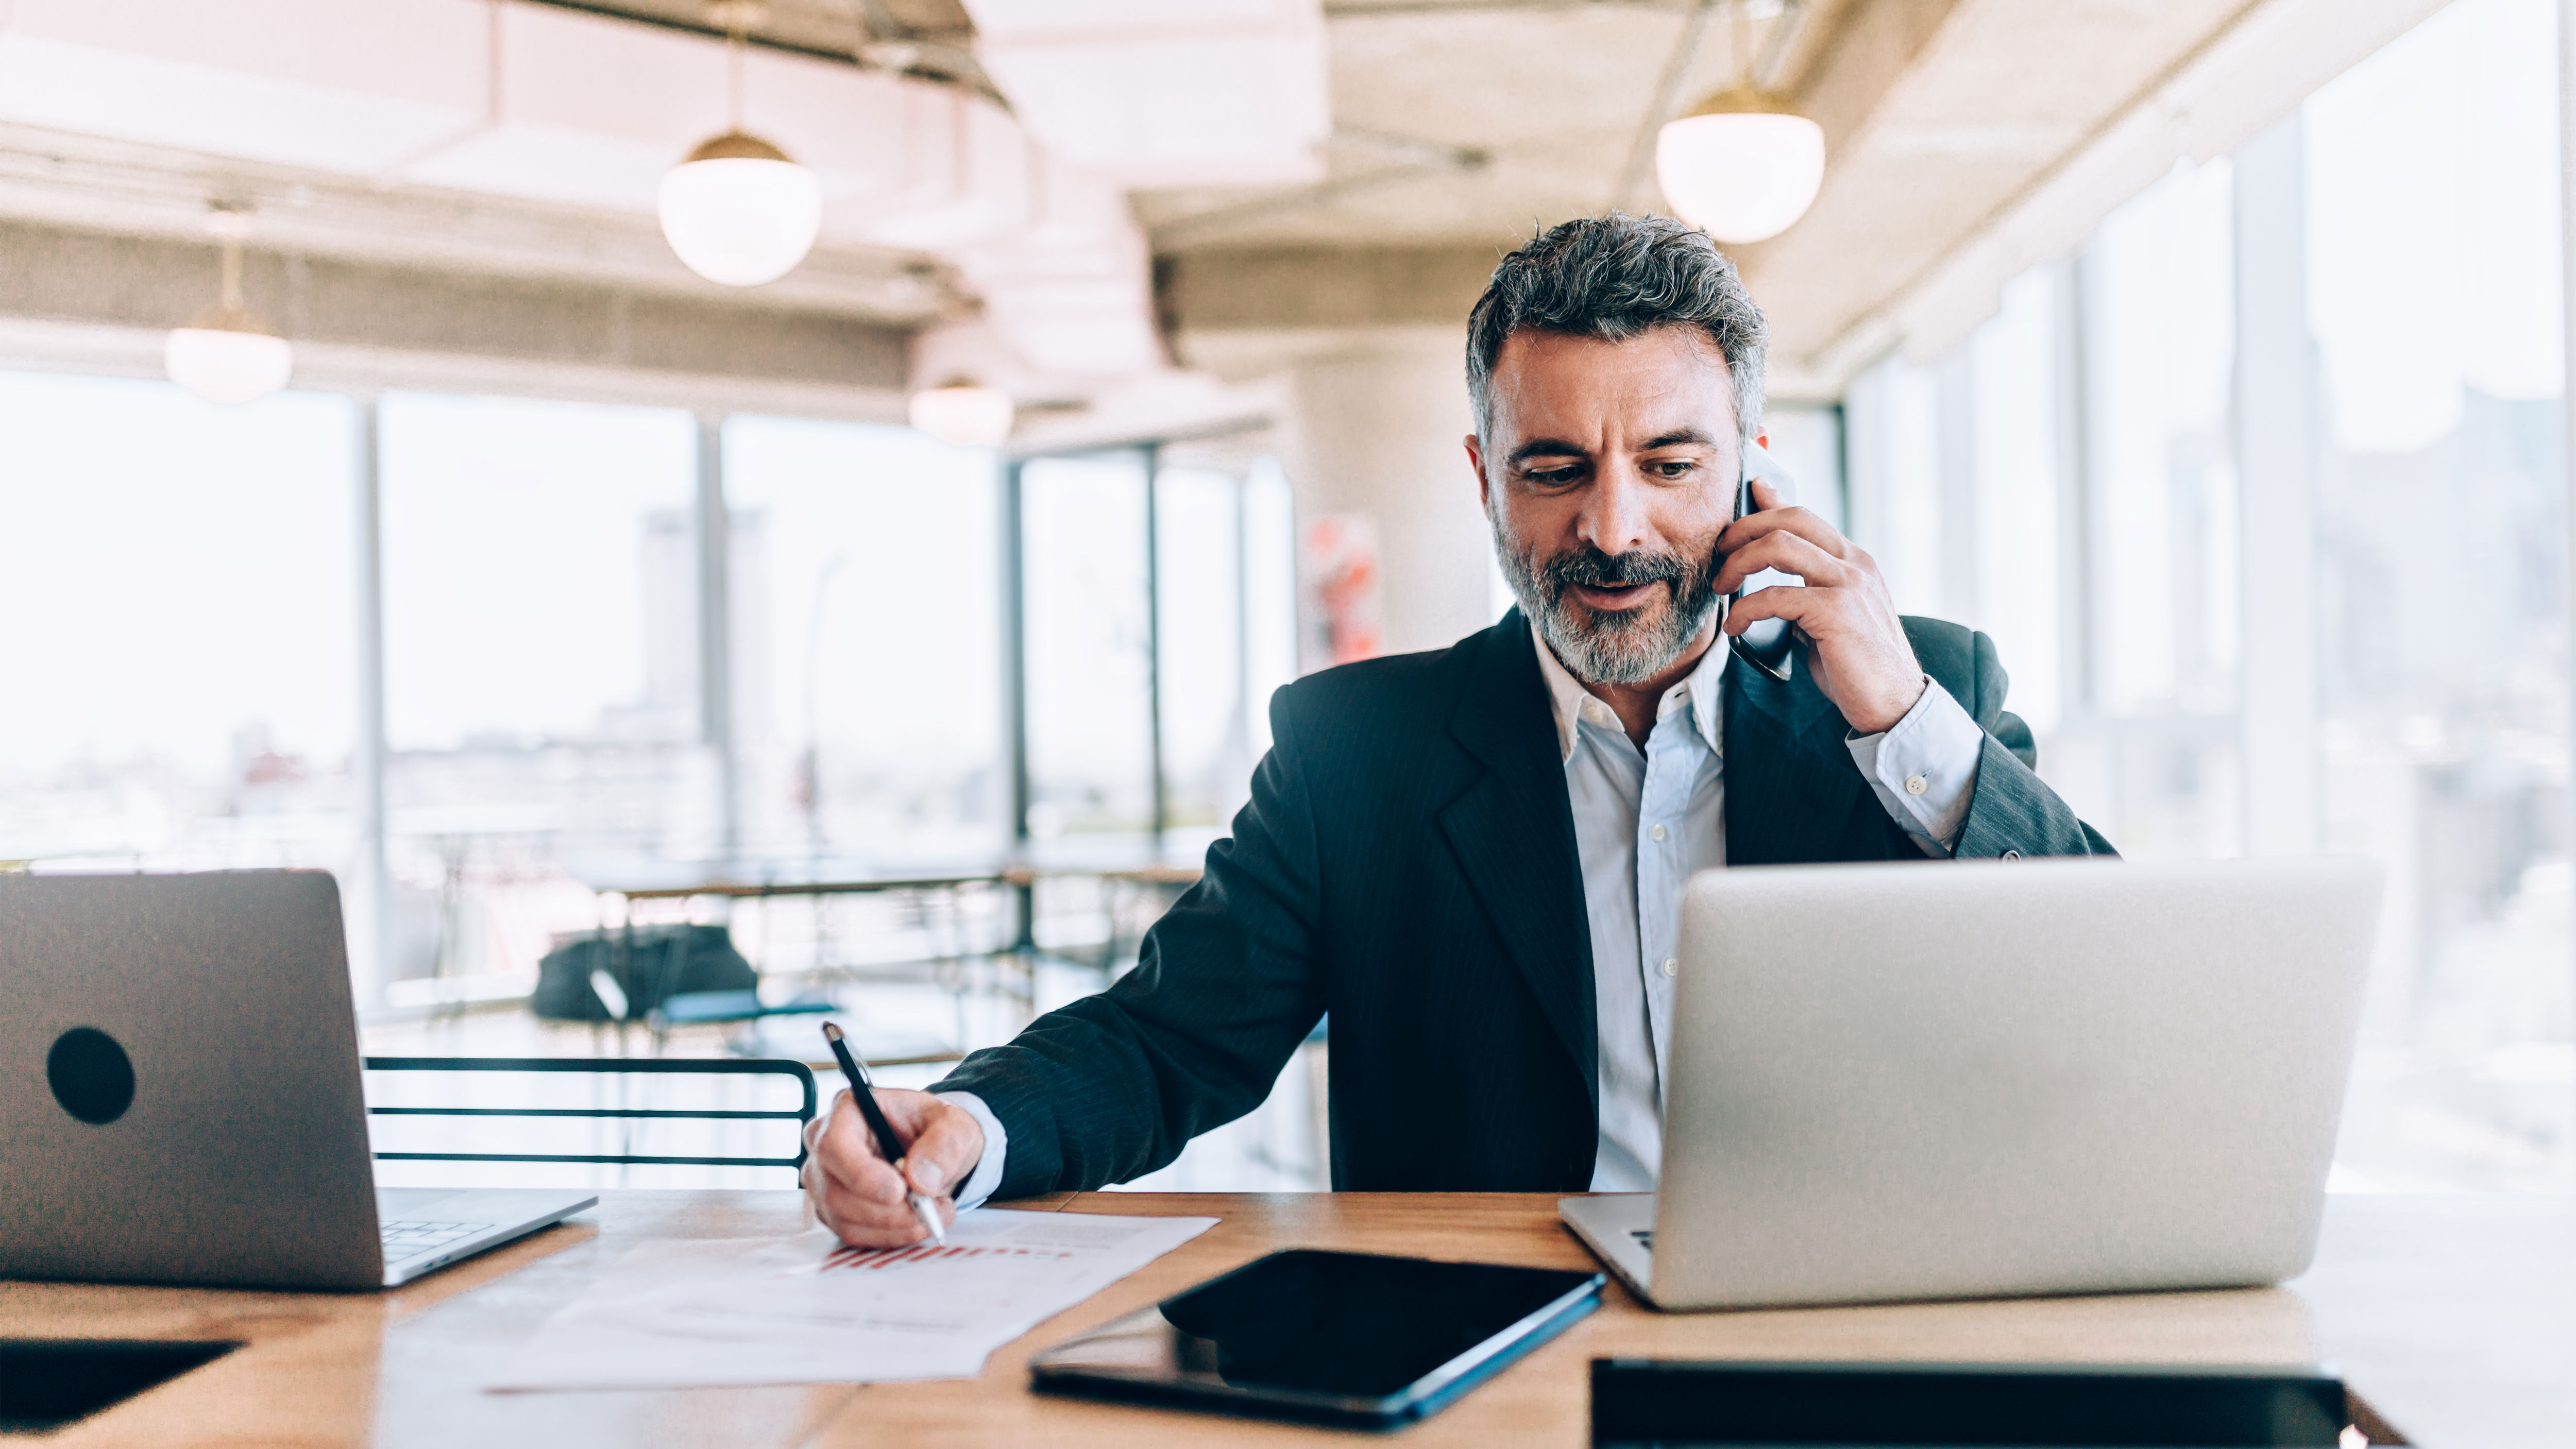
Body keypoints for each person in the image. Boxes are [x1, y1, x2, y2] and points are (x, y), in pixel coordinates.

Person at [803, 213, 2115, 1247]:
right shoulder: (1356, 751)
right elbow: (1169, 1038)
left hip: (1843, 1338)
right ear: (1486, 477)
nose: (1612, 530)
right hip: (1481, 1349)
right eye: (1555, 469)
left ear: (1750, 465)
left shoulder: (1916, 691)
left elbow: (2102, 1002)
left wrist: (1904, 727)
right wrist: (970, 1124)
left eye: (1668, 464)